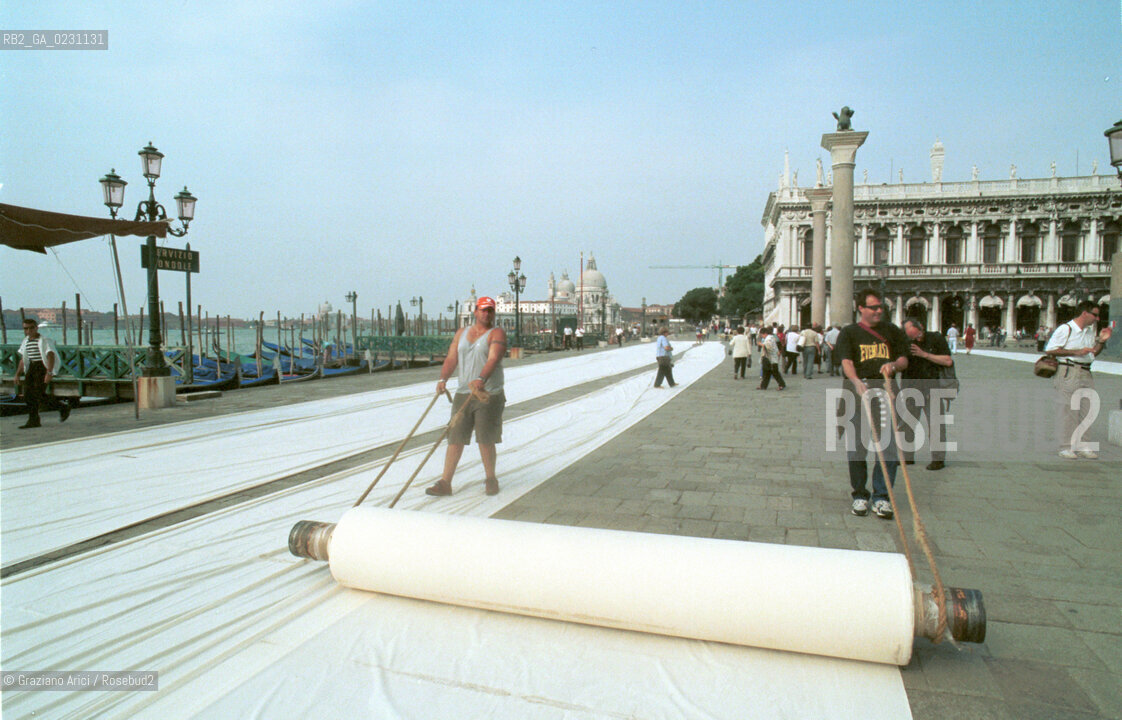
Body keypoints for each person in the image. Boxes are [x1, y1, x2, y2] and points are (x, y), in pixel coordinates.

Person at [835, 289, 909, 519]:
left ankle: (882, 497)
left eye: (880, 307)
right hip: (858, 393)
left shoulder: (892, 331)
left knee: (888, 448)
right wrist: (855, 380)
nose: (879, 311)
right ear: (861, 309)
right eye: (874, 307)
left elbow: (904, 358)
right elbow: (846, 360)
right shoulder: (849, 333)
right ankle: (860, 494)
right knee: (857, 447)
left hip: (886, 392)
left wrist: (893, 366)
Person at [426, 296, 507, 497]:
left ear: (493, 313)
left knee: (485, 438)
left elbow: (494, 358)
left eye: (490, 310)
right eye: (482, 310)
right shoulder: (461, 333)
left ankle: (490, 478)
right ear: (475, 312)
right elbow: (452, 358)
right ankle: (445, 482)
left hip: (488, 393)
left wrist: (481, 378)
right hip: (464, 392)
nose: (486, 314)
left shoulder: (496, 333)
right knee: (455, 436)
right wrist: (442, 379)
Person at [1044, 300, 1111, 459]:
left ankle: (1084, 446)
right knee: (1068, 410)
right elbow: (1050, 350)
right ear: (1084, 313)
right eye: (1095, 314)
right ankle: (1066, 446)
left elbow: (1092, 354)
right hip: (1068, 370)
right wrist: (1077, 352)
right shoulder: (1065, 329)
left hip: (1086, 372)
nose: (1097, 318)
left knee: (1087, 409)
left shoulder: (1088, 332)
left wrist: (1101, 341)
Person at [901, 318, 955, 471]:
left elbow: (947, 361)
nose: (914, 339)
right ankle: (907, 457)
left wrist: (924, 354)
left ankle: (938, 459)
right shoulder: (904, 342)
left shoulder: (936, 338)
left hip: (933, 387)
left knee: (936, 424)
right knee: (907, 424)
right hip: (911, 387)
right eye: (910, 336)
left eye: (916, 335)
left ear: (921, 328)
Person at [14, 318, 71, 429]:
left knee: (39, 394)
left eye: (31, 328)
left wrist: (49, 372)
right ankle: (34, 420)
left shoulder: (44, 340)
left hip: (42, 367)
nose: (29, 331)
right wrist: (17, 374)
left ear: (36, 328)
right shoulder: (26, 341)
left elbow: (50, 355)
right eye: (26, 328)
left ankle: (62, 407)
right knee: (28, 395)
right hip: (31, 367)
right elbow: (23, 359)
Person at [756, 326, 786, 390]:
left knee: (775, 372)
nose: (762, 336)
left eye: (762, 335)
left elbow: (769, 347)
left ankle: (781, 384)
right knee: (767, 372)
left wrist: (761, 344)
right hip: (769, 358)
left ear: (764, 333)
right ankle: (763, 386)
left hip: (770, 358)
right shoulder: (771, 337)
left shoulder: (769, 339)